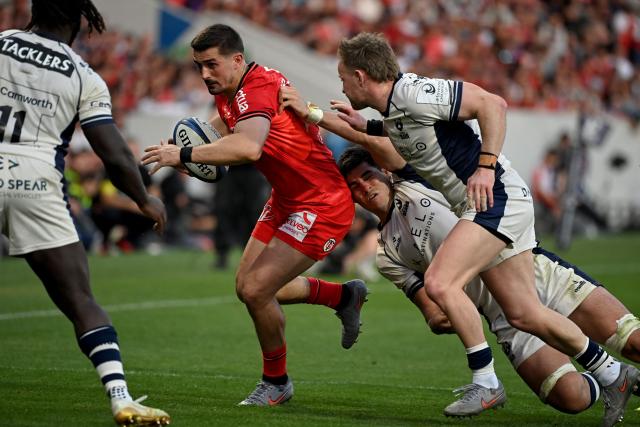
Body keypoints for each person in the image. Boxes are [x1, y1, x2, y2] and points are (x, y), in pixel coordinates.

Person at [319, 32, 637, 424]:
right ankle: (612, 374)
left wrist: (485, 168)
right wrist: (361, 124)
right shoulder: (397, 114)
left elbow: (493, 104)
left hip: (496, 199)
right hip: (487, 209)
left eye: (343, 76)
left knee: (439, 282)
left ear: (361, 75)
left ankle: (486, 382)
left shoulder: (412, 93)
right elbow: (407, 134)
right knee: (523, 314)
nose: (341, 84)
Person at [141, 24, 368, 406]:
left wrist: (182, 155)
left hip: (322, 203)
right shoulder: (230, 89)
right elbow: (218, 138)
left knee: (255, 289)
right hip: (286, 200)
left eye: (211, 65)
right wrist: (185, 152)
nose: (205, 75)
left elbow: (247, 148)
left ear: (237, 59)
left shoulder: (257, 88)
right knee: (249, 286)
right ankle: (343, 296)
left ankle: (276, 382)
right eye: (199, 66)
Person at [336, 146, 640, 417]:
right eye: (354, 186)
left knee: (633, 342)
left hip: (532, 272)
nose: (364, 186)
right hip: (502, 315)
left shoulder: (415, 181)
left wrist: (321, 117)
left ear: (384, 171)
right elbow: (431, 312)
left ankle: (615, 374)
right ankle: (612, 378)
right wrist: (446, 313)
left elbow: (385, 139)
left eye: (368, 175)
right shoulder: (386, 253)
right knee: (571, 397)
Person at [0, 1, 170, 425]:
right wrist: (144, 199)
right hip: (35, 182)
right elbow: (112, 153)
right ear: (78, 19)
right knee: (81, 301)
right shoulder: (82, 75)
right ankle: (120, 396)